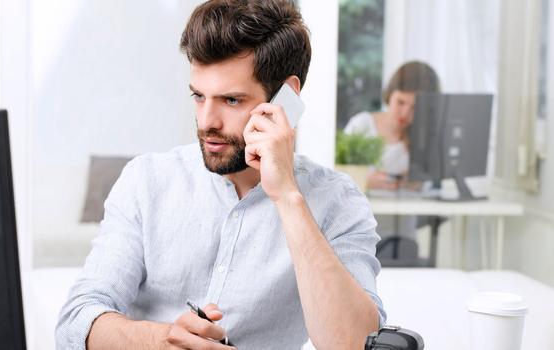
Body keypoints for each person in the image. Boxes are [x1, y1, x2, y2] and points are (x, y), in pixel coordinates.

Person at [56, 1, 385, 349]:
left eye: (231, 100)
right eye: (199, 96)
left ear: (285, 98)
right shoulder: (147, 181)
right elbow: (76, 323)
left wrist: (287, 197)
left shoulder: (337, 202)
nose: (207, 122)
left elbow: (356, 343)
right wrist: (161, 341)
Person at [344, 61, 441, 190]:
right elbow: (337, 173)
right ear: (390, 94)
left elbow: (433, 182)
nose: (405, 113)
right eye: (400, 102)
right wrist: (365, 181)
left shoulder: (425, 136)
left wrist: (417, 183)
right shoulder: (362, 125)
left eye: (415, 108)